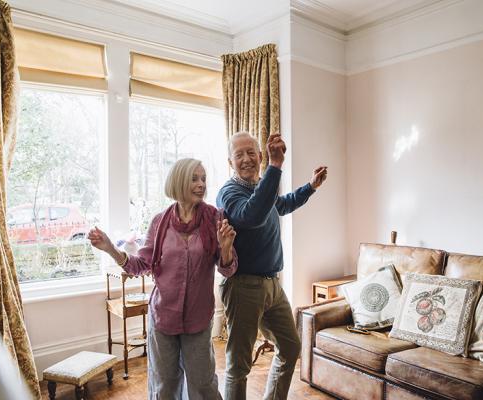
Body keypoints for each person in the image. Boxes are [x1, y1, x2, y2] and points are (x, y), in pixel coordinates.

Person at [88, 158, 238, 400]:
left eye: (203, 179)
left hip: (198, 319)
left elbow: (228, 270)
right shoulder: (160, 222)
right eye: (194, 178)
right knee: (164, 387)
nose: (201, 184)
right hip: (162, 317)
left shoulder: (214, 218)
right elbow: (140, 265)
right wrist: (109, 249)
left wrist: (227, 249)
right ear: (178, 181)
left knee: (203, 386)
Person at [216, 132, 328, 400]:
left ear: (260, 155)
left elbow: (283, 204)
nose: (246, 159)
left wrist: (310, 187)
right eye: (239, 154)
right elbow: (250, 216)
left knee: (290, 347)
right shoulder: (228, 192)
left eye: (251, 152)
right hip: (243, 286)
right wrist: (275, 168)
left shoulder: (260, 188)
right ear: (230, 162)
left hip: (272, 285)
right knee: (238, 366)